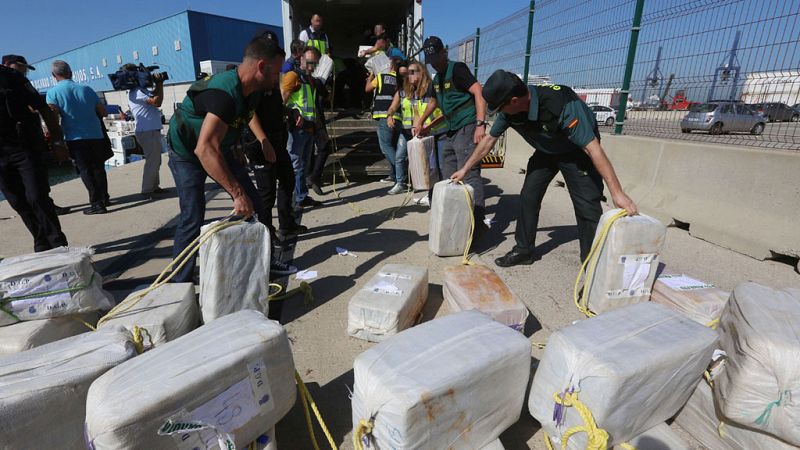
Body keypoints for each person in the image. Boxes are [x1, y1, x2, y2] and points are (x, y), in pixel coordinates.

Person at [451, 70, 638, 267]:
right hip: (546, 151)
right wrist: (465, 169)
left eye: (500, 108)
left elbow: (593, 149)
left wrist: (617, 193)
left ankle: (592, 271)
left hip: (576, 152)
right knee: (528, 197)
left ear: (514, 101)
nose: (499, 114)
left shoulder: (562, 105)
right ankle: (524, 250)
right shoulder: (510, 111)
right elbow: (489, 140)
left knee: (587, 209)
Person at [167, 34, 298, 282]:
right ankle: (178, 283)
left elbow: (245, 116)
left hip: (219, 147)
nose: (278, 79)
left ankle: (265, 263)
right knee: (192, 214)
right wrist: (237, 194)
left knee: (257, 205)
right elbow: (204, 150)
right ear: (261, 66)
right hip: (187, 153)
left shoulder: (254, 91)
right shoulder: (224, 92)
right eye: (276, 72)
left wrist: (246, 142)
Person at [415, 36, 488, 225]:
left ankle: (477, 221)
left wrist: (480, 124)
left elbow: (479, 92)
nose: (433, 64)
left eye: (436, 59)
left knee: (469, 172)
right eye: (430, 61)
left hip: (467, 125)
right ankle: (455, 215)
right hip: (450, 128)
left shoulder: (457, 69)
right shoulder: (437, 78)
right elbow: (434, 101)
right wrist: (424, 124)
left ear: (443, 53)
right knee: (448, 173)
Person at [0, 64, 70, 251]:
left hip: (23, 148)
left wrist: (57, 142)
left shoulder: (11, 77)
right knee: (18, 202)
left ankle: (57, 245)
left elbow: (44, 109)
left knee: (36, 196)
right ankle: (41, 242)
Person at [46, 60, 111, 215]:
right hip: (96, 134)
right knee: (98, 167)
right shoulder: (87, 89)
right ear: (71, 72)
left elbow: (53, 119)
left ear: (54, 75)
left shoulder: (53, 93)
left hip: (75, 136)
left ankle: (96, 203)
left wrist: (57, 140)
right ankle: (104, 197)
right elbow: (103, 112)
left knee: (85, 169)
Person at [387, 60, 448, 205]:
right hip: (426, 133)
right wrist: (417, 126)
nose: (409, 75)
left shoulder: (432, 89)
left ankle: (443, 197)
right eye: (408, 73)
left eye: (413, 72)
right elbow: (417, 113)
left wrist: (427, 126)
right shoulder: (414, 91)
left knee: (441, 167)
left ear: (422, 72)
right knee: (431, 167)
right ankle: (433, 196)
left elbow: (444, 112)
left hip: (440, 132)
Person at [281, 46, 323, 207]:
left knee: (304, 165)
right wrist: (292, 114)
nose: (312, 66)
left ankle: (301, 196)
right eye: (310, 62)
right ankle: (295, 199)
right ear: (301, 59)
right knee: (296, 164)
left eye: (315, 63)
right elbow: (282, 101)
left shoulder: (310, 79)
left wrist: (319, 128)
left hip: (309, 128)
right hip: (297, 128)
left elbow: (312, 106)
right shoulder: (292, 76)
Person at [124, 63, 166, 200]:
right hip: (148, 131)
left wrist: (157, 85)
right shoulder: (138, 91)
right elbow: (157, 101)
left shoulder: (137, 91)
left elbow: (153, 95)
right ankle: (147, 190)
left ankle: (154, 186)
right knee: (152, 161)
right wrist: (159, 84)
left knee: (155, 160)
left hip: (148, 130)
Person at [366, 56, 404, 194]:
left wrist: (371, 75)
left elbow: (367, 89)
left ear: (391, 65)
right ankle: (394, 176)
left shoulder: (381, 77)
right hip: (398, 117)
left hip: (384, 116)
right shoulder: (401, 79)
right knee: (392, 146)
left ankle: (401, 175)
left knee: (386, 147)